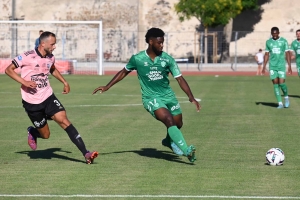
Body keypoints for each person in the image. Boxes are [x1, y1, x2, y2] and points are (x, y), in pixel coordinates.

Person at [92, 27, 200, 163]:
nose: (162, 45)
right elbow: (123, 71)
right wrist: (107, 86)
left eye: (163, 42)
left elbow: (179, 78)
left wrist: (191, 97)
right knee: (168, 120)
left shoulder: (167, 59)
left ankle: (168, 140)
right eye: (159, 42)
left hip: (169, 96)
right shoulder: (138, 59)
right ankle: (187, 151)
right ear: (150, 41)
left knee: (178, 123)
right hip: (151, 98)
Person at [5, 31, 98, 164]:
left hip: (48, 96)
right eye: (52, 44)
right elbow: (8, 70)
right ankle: (33, 132)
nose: (54, 47)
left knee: (64, 120)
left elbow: (52, 69)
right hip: (31, 102)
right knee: (46, 135)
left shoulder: (50, 57)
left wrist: (64, 82)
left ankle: (86, 153)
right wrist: (24, 82)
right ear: (43, 44)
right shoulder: (27, 56)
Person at [262, 27, 292, 109]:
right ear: (271, 33)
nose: (274, 35)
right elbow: (267, 54)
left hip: (281, 66)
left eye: (276, 33)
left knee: (282, 83)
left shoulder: (284, 41)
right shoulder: (268, 42)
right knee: (275, 84)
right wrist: (264, 66)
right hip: (272, 66)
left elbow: (287, 53)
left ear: (279, 33)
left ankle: (286, 97)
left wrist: (289, 66)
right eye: (273, 33)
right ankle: (280, 103)